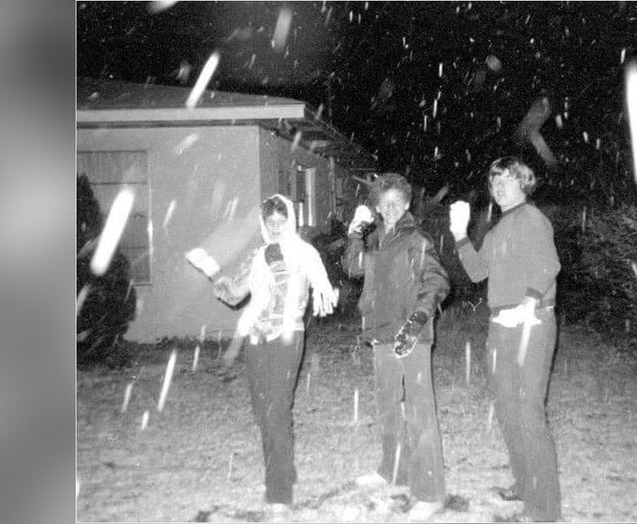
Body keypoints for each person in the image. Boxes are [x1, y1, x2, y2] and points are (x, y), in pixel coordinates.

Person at [449, 157, 563, 522]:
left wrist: (528, 305)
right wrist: (459, 234)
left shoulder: (533, 220)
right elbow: (477, 271)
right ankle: (524, 485)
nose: (499, 186)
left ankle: (545, 509)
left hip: (530, 323)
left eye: (507, 180)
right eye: (494, 181)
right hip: (500, 326)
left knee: (529, 412)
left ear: (524, 184)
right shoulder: (498, 230)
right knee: (507, 410)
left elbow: (548, 265)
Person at [212, 194, 337, 513]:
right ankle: (282, 471)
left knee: (277, 410)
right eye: (271, 222)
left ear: (291, 221)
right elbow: (238, 294)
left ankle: (279, 493)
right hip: (256, 337)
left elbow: (316, 290)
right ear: (264, 224)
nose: (277, 227)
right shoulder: (257, 255)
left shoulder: (304, 253)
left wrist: (283, 270)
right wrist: (222, 286)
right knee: (261, 408)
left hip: (286, 336)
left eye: (282, 221)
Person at [343, 173, 450, 521]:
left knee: (419, 411)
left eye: (396, 202)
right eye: (383, 202)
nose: (389, 207)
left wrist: (417, 321)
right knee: (388, 405)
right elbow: (353, 268)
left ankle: (431, 492)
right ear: (376, 207)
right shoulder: (374, 240)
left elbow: (437, 281)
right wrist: (355, 234)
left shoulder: (414, 239)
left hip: (410, 335)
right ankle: (394, 471)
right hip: (381, 334)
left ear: (406, 205)